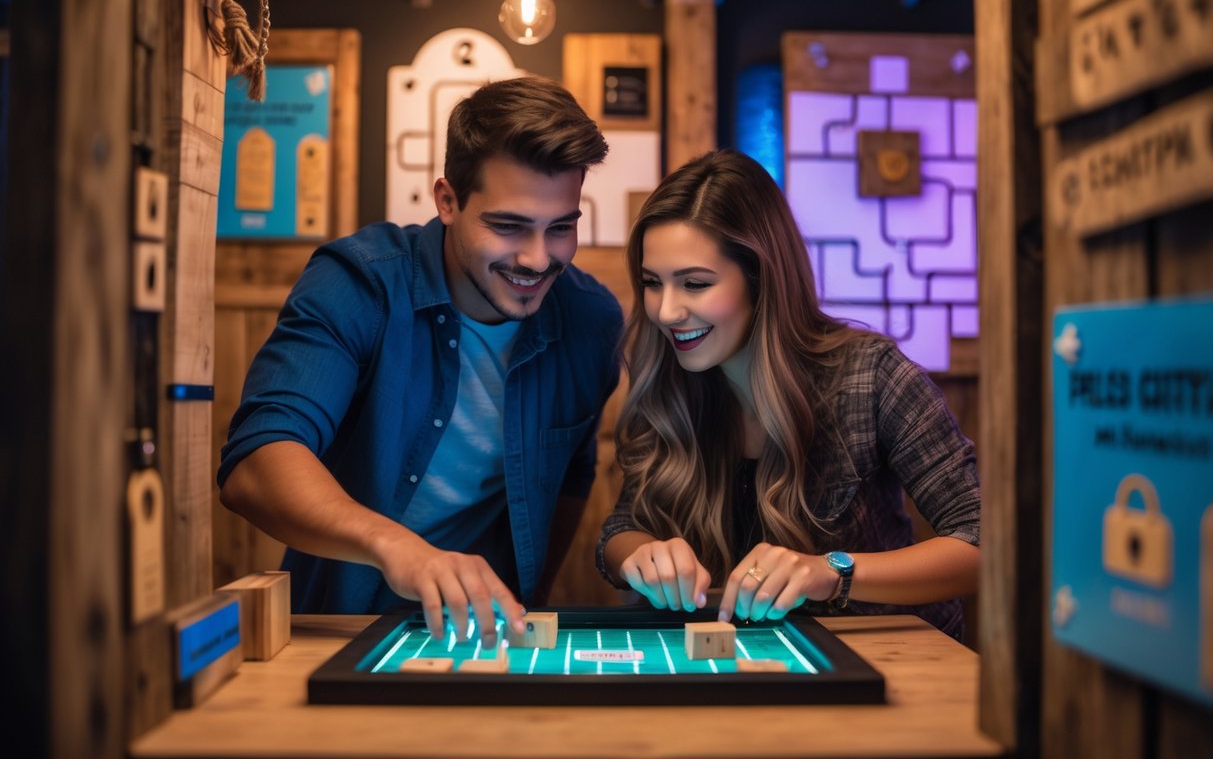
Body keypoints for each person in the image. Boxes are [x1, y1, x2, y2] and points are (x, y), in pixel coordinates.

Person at [219, 77, 621, 647]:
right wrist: (399, 549)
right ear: (447, 201)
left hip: (495, 636)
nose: (537, 259)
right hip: (340, 628)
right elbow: (256, 464)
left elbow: (574, 474)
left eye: (561, 227)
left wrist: (538, 589)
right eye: (508, 226)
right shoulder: (359, 281)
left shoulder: (591, 321)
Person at [597, 148, 980, 640]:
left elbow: (980, 542)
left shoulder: (874, 375)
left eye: (695, 283)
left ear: (761, 280)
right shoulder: (670, 381)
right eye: (653, 283)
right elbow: (618, 531)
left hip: (887, 665)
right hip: (738, 665)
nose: (667, 311)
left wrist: (831, 572)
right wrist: (641, 554)